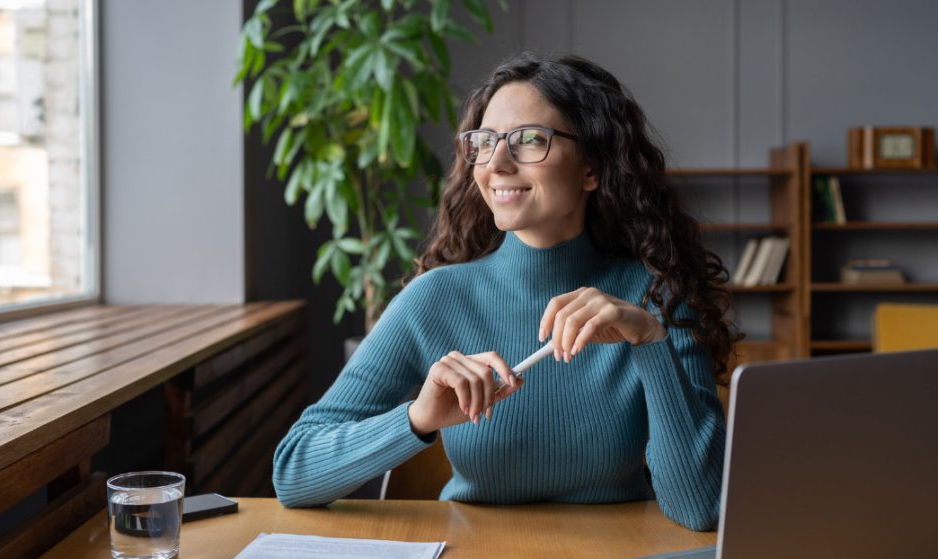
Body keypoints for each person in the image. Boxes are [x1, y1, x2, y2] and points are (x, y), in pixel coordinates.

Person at [273, 53, 737, 531]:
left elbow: (700, 509)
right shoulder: (434, 299)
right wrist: (418, 417)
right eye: (485, 141)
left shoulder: (657, 298)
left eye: (530, 140)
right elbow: (294, 471)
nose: (496, 163)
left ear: (591, 169)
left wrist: (649, 340)